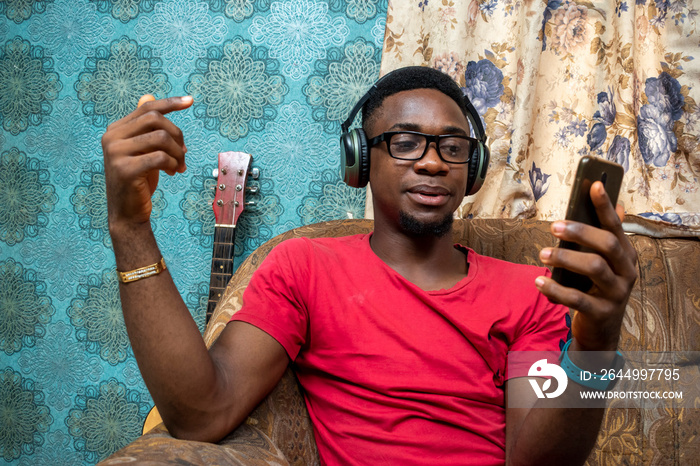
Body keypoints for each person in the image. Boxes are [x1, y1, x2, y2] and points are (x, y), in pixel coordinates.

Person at [102, 66, 637, 465]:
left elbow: (535, 462)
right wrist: (130, 228)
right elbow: (202, 413)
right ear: (360, 158)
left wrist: (595, 343)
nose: (431, 161)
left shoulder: (533, 291)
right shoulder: (305, 267)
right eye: (405, 143)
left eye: (452, 147)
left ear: (473, 170)